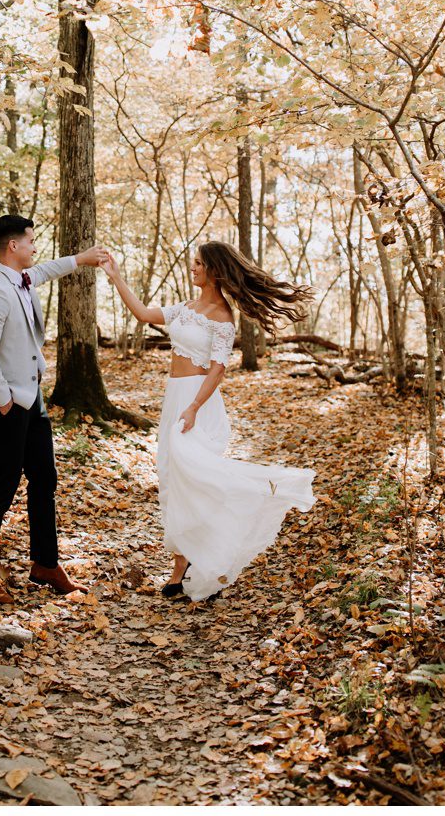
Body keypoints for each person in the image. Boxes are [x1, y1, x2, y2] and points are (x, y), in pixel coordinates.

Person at [100, 241, 315, 601]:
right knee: (173, 479)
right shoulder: (185, 308)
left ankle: (204, 563)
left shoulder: (222, 318)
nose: (192, 267)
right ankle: (182, 564)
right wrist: (116, 276)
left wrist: (195, 407)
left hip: (198, 404)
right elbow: (142, 313)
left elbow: (218, 369)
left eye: (198, 264)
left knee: (196, 481)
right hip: (175, 399)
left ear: (214, 271)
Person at [0, 214, 110, 604]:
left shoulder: (23, 279)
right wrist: (3, 398)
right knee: (3, 484)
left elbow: (45, 270)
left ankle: (45, 564)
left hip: (33, 400)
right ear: (13, 246)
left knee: (44, 480)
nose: (34, 247)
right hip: (7, 405)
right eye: (30, 241)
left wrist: (80, 259)